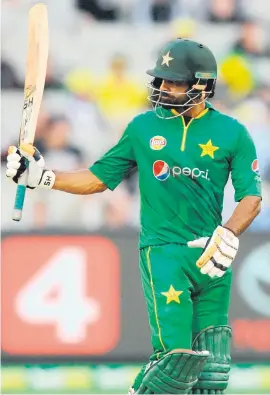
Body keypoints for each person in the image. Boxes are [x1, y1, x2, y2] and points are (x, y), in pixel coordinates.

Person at [6, 38, 262, 394]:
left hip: (213, 257)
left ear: (202, 86)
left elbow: (252, 196)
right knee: (175, 364)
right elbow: (98, 178)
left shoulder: (232, 133)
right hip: (163, 251)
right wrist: (43, 177)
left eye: (173, 81)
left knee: (212, 374)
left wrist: (230, 233)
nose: (162, 87)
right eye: (161, 79)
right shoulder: (143, 127)